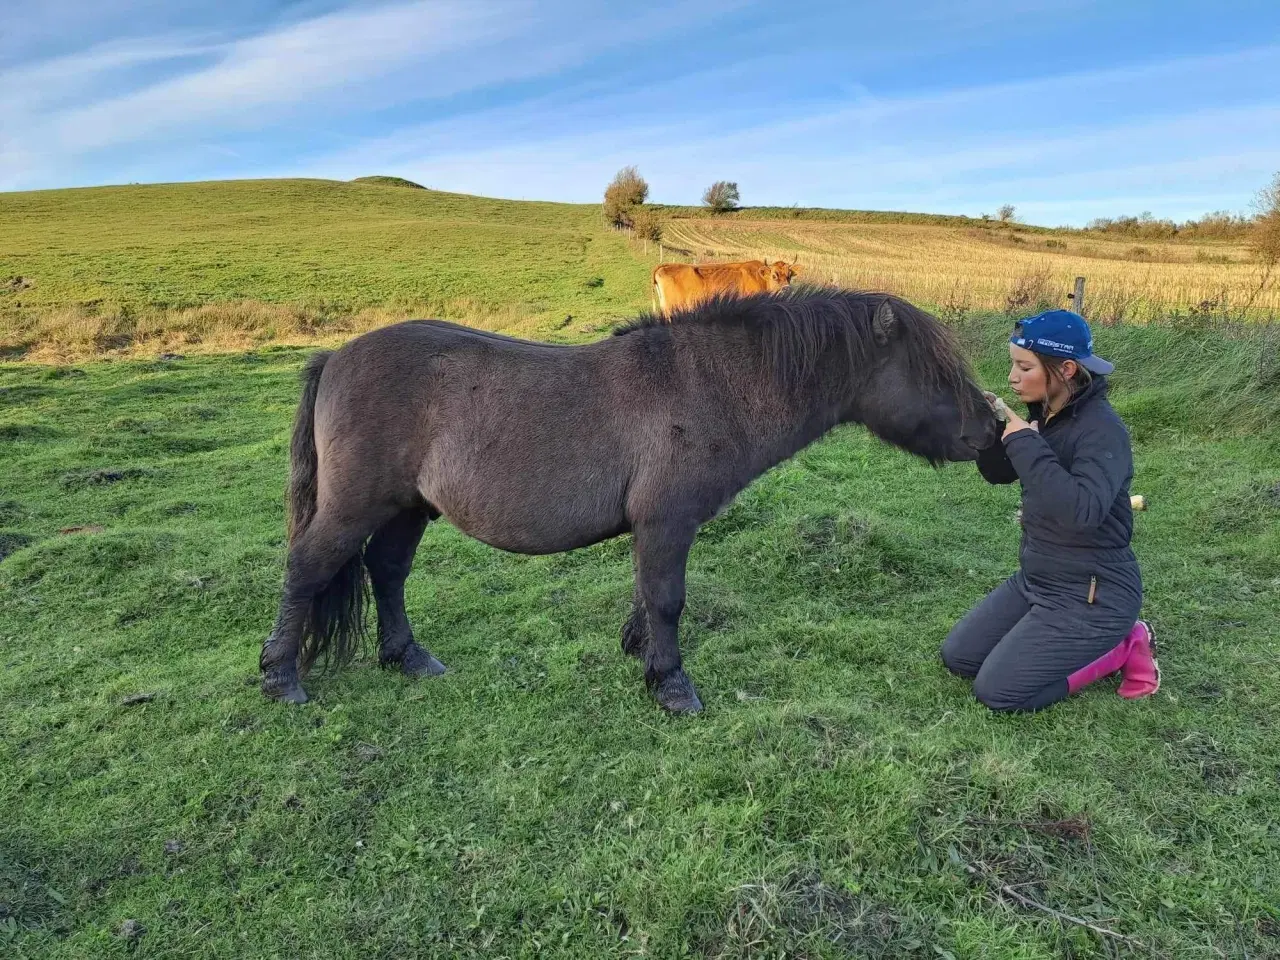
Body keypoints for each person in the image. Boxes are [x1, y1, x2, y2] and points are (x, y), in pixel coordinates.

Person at [941, 309, 1160, 711]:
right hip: (1038, 579)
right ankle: (1056, 635)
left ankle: (1125, 646)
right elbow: (1002, 474)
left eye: (1024, 367)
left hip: (1092, 593)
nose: (1012, 376)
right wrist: (990, 432)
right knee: (960, 657)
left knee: (998, 692)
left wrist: (1024, 441)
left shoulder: (1102, 431)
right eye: (1013, 365)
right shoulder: (1049, 413)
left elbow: (1080, 512)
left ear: (1067, 370)